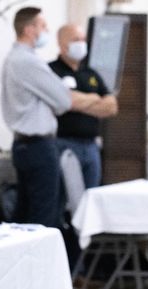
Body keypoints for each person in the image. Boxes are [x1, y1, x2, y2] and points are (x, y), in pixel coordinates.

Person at [1, 8, 101, 229]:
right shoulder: (28, 61)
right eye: (43, 26)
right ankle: (39, 264)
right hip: (39, 146)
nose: (46, 31)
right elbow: (63, 101)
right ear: (29, 29)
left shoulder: (13, 58)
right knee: (44, 216)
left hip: (24, 144)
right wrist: (93, 98)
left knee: (26, 213)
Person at [49, 23, 118, 188]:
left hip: (91, 146)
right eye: (76, 40)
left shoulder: (90, 73)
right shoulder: (51, 71)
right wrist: (95, 98)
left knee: (91, 195)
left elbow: (111, 106)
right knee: (62, 194)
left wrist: (78, 101)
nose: (81, 43)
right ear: (62, 44)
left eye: (83, 39)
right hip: (63, 143)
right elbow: (63, 101)